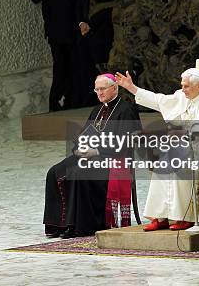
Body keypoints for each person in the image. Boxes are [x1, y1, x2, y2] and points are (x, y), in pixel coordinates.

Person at [115, 68, 199, 231]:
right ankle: (160, 217)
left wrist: (189, 135)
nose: (182, 89)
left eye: (186, 86)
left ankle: (186, 217)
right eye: (182, 85)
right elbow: (158, 100)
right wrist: (132, 88)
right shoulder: (182, 96)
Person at [43, 74, 141, 238]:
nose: (99, 93)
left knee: (78, 173)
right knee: (55, 171)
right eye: (97, 89)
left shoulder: (126, 110)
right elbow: (85, 135)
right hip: (91, 155)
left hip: (113, 160)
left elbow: (126, 142)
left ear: (114, 88)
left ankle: (77, 225)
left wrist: (96, 152)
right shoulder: (97, 110)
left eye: (103, 89)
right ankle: (57, 225)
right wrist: (79, 149)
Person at [30, 0, 85, 111]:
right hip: (54, 29)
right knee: (59, 64)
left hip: (72, 28)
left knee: (74, 65)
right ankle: (57, 101)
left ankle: (71, 100)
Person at [73, 0, 117, 108]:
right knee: (85, 69)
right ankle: (90, 101)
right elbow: (78, 7)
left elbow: (106, 9)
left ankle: (108, 100)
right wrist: (81, 23)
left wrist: (91, 24)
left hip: (100, 34)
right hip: (84, 34)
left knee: (102, 68)